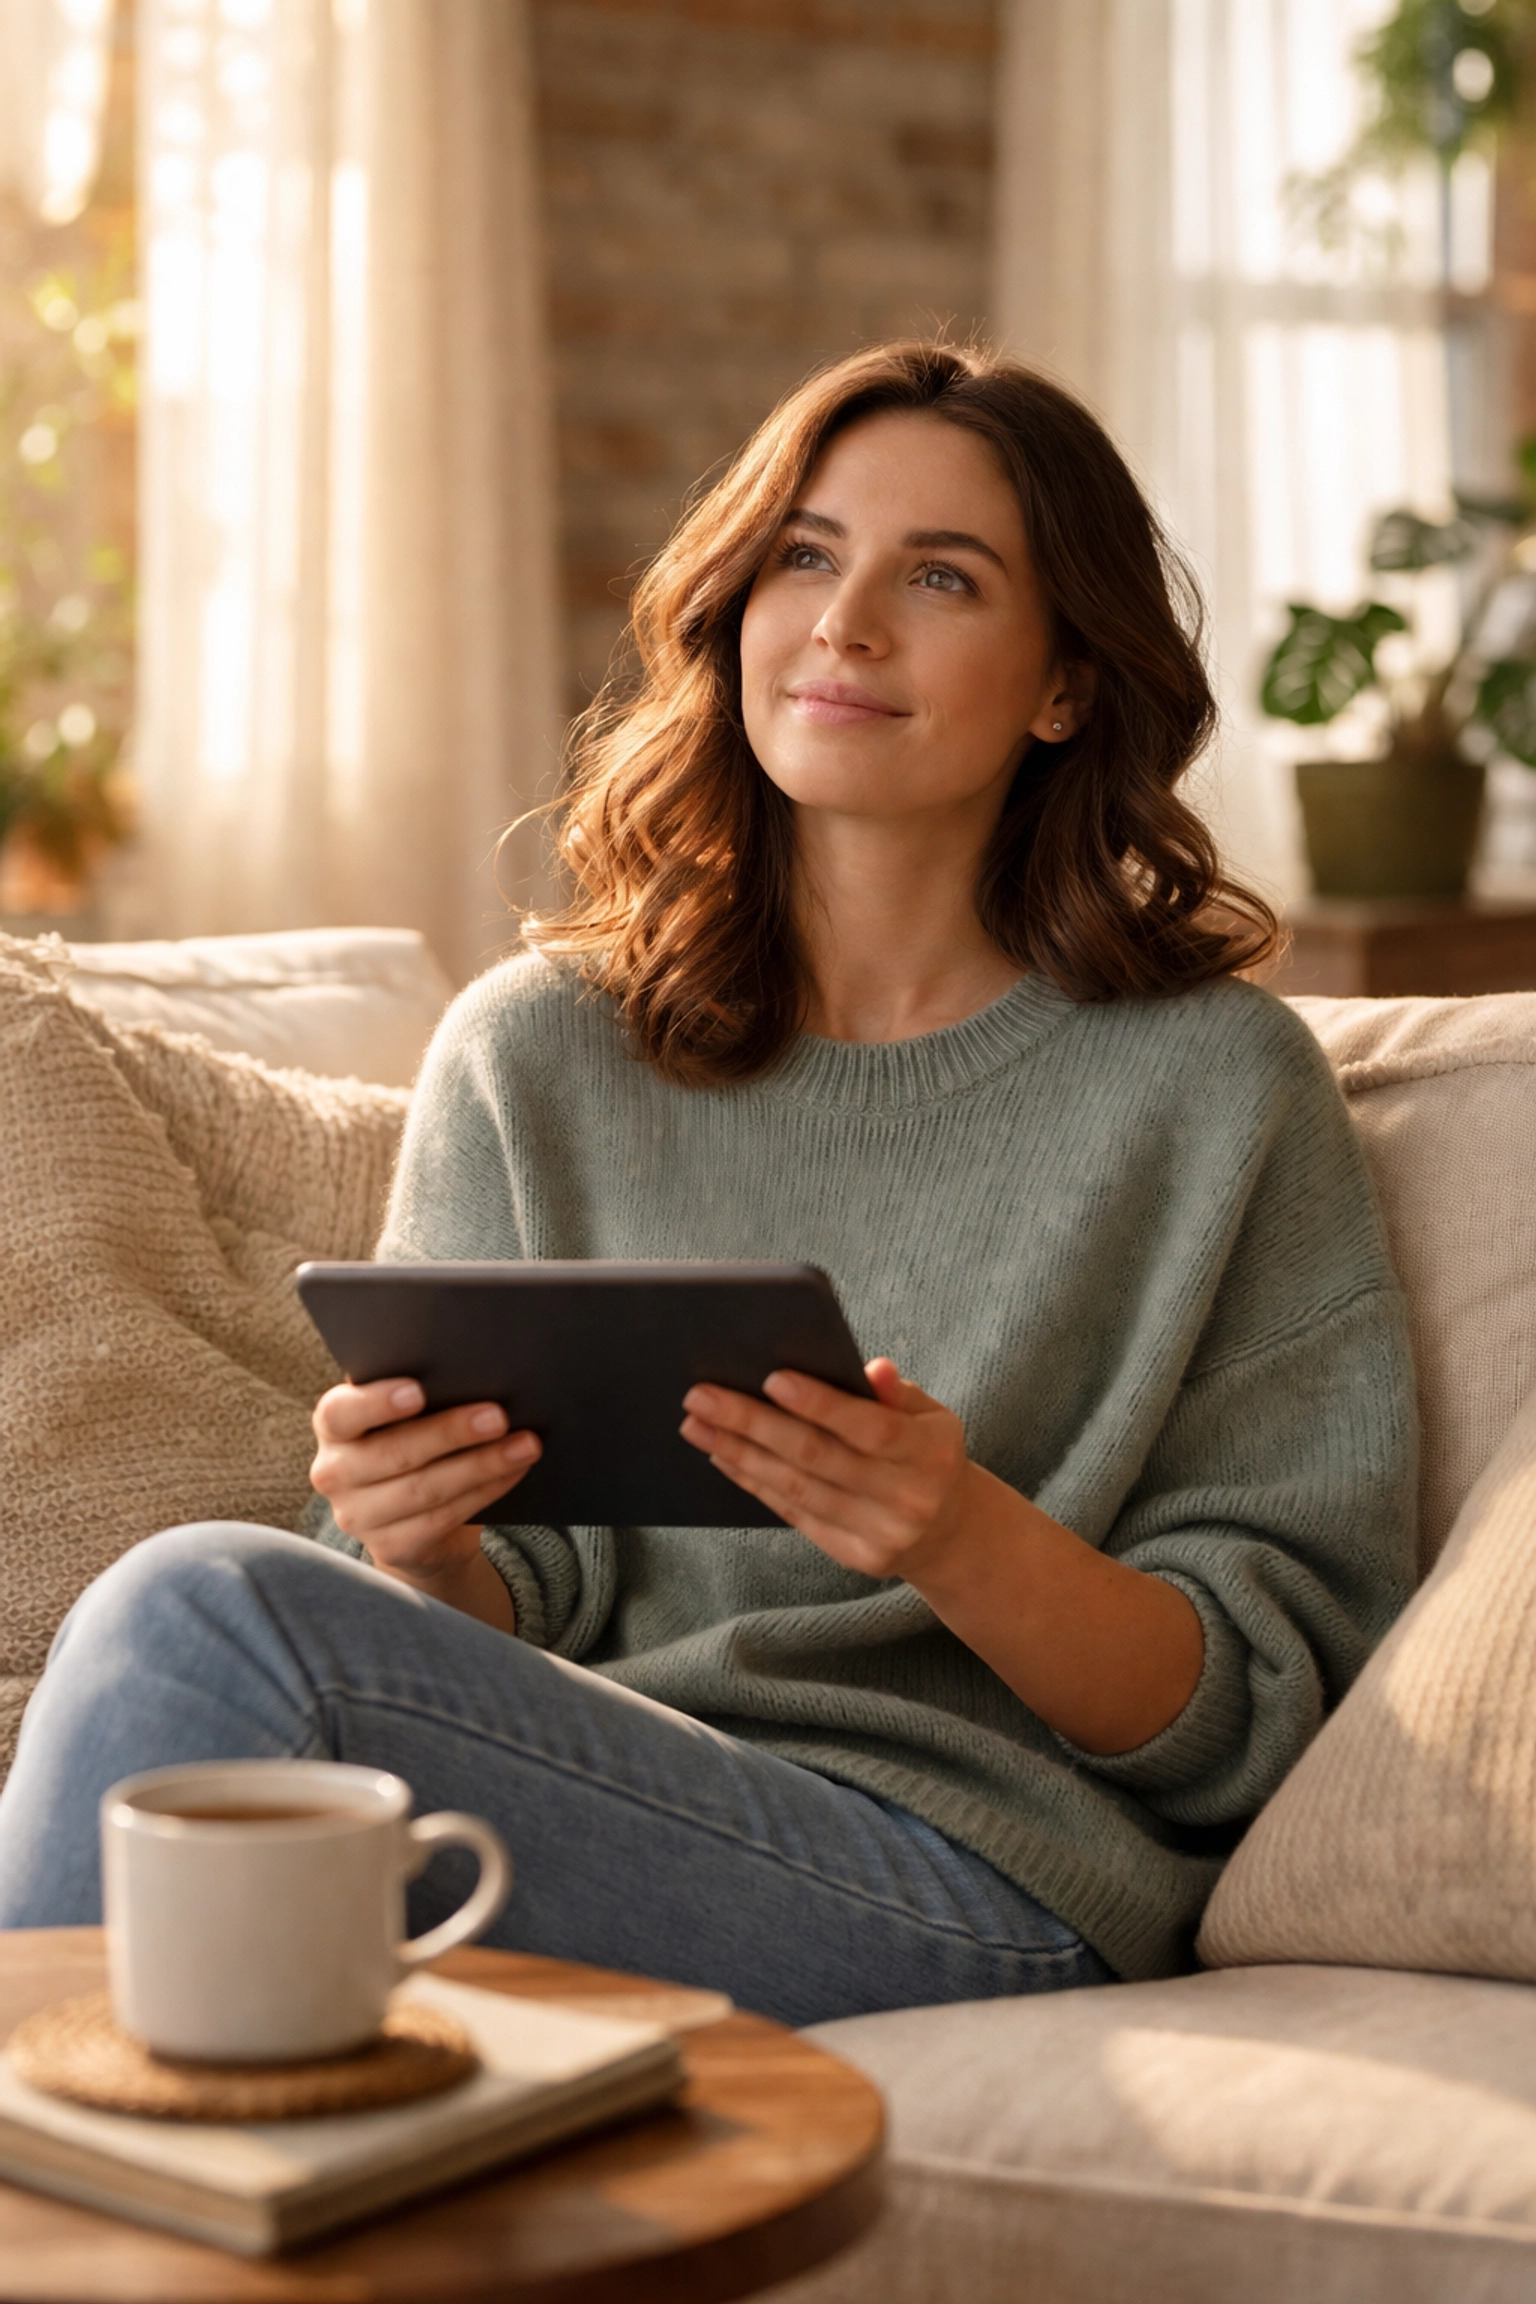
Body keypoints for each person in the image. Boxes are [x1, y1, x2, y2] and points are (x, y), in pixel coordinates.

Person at [0, 343, 1415, 2025]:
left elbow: (1262, 1709)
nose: (845, 622)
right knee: (236, 1620)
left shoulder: (1218, 1090)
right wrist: (418, 1541)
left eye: (941, 577)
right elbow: (496, 1613)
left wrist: (954, 1533)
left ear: (1064, 683)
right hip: (595, 1786)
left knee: (204, 1611)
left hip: (982, 1877)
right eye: (804, 556)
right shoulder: (536, 1053)